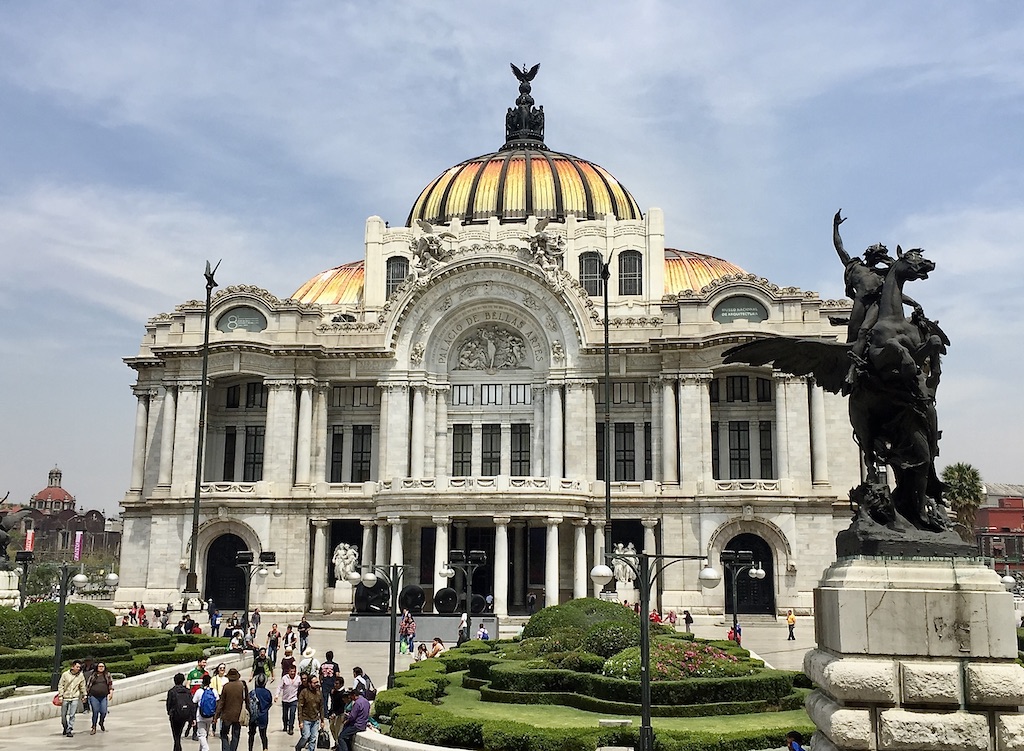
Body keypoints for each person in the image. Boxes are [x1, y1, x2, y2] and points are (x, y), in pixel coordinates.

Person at [214, 667, 246, 751]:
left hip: (226, 716)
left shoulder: (226, 687)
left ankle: (226, 749)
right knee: (236, 735)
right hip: (238, 715)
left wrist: (216, 715)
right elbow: (247, 700)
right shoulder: (242, 686)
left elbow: (221, 703)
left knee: (224, 734)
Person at [57, 659, 87, 737]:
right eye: (77, 667)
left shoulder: (80, 675)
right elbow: (61, 685)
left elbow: (82, 686)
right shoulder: (65, 674)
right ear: (73, 666)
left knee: (72, 714)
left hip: (75, 697)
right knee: (63, 715)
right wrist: (60, 695)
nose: (78, 668)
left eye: (79, 667)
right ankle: (65, 727)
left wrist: (84, 695)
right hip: (65, 697)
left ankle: (70, 729)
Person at [296, 674, 325, 751]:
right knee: (306, 736)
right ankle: (298, 747)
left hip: (315, 719)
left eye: (317, 682)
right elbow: (300, 707)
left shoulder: (319, 693)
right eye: (314, 683)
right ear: (309, 683)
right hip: (306, 719)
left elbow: (321, 707)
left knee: (313, 738)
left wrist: (322, 720)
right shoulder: (304, 693)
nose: (316, 684)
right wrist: (300, 721)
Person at [166, 672, 194, 751]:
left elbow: (169, 704)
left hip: (174, 715)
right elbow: (191, 704)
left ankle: (178, 748)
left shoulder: (172, 691)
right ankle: (177, 748)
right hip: (184, 715)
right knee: (179, 733)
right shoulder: (187, 691)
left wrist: (169, 712)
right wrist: (192, 717)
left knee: (176, 735)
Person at [336, 686, 370, 751]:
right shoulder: (366, 701)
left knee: (341, 737)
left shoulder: (357, 703)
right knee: (348, 737)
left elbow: (352, 717)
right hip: (363, 724)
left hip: (357, 725)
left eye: (351, 696)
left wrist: (347, 718)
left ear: (354, 695)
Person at [247, 672, 273, 751]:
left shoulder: (252, 692)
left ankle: (250, 749)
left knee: (251, 735)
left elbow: (248, 703)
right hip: (263, 716)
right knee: (263, 735)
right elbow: (270, 703)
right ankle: (265, 748)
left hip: (253, 717)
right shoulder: (267, 693)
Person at [86, 661, 114, 734]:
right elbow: (88, 685)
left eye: (102, 667)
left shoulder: (107, 675)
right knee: (95, 711)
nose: (101, 668)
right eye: (99, 666)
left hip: (103, 696)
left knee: (103, 712)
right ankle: (94, 726)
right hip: (94, 696)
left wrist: (111, 692)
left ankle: (101, 722)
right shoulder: (93, 675)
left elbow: (110, 684)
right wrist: (85, 695)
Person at [185, 657, 209, 740]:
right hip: (193, 697)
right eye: (203, 662)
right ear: (199, 663)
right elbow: (188, 684)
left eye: (205, 663)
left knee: (198, 716)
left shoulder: (206, 673)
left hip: (203, 699)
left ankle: (196, 732)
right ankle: (189, 728)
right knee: (193, 715)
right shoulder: (192, 673)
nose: (204, 664)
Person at [275, 663, 301, 735]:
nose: (292, 673)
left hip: (294, 699)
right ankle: (285, 725)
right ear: (288, 671)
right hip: (285, 699)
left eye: (294, 671)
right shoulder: (284, 678)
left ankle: (291, 728)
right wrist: (277, 695)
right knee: (285, 715)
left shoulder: (298, 678)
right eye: (291, 671)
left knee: (292, 714)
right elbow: (279, 687)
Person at [193, 674, 217, 751]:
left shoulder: (199, 691)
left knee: (201, 735)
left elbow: (194, 702)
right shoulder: (214, 691)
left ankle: (206, 749)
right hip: (210, 716)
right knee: (205, 734)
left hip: (200, 716)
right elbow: (217, 702)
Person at [318, 650, 340, 715]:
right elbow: (337, 675)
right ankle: (332, 711)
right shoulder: (335, 665)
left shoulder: (322, 665)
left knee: (325, 699)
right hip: (332, 684)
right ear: (332, 657)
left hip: (324, 684)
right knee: (333, 699)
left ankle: (325, 713)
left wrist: (321, 683)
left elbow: (320, 675)